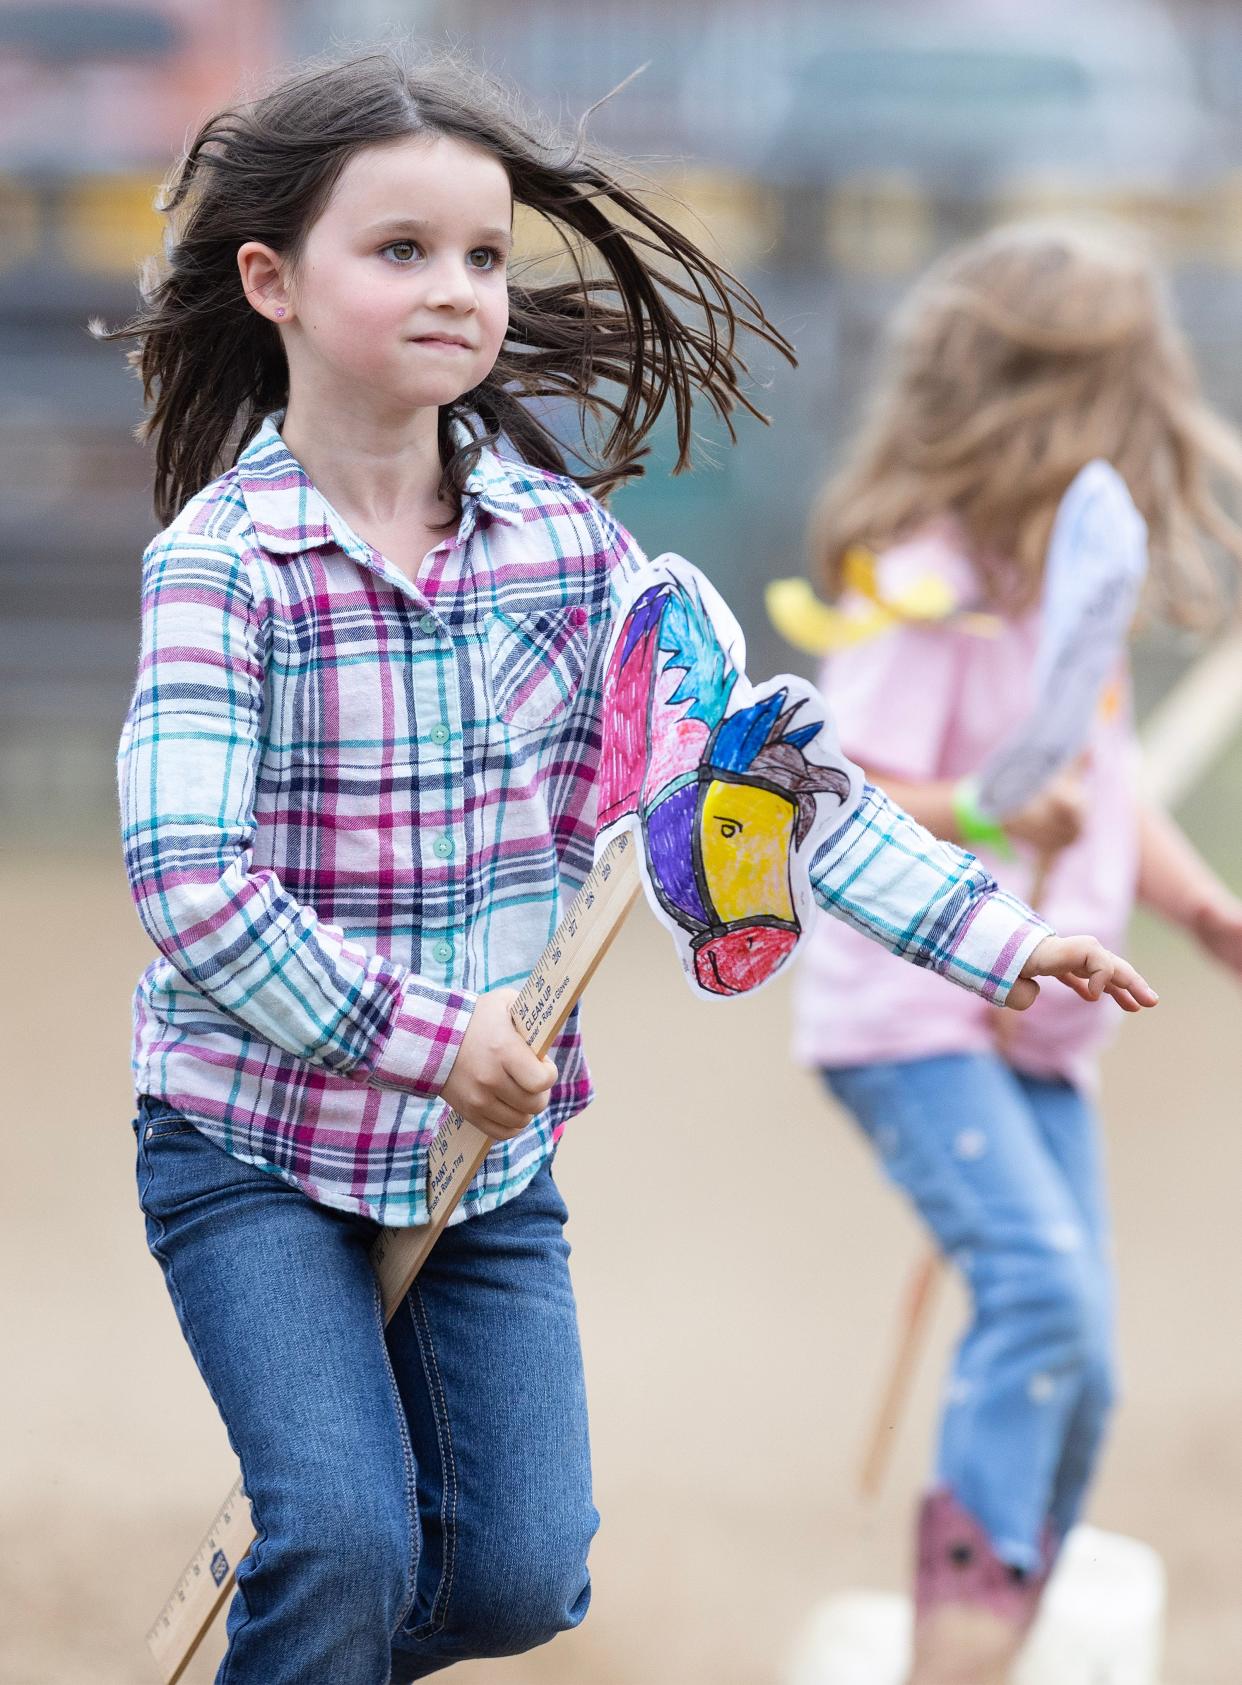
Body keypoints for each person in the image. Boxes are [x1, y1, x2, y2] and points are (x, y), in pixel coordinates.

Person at [109, 56, 1154, 1682]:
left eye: (479, 256)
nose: (456, 289)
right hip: (256, 1143)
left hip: (485, 1168)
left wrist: (996, 937)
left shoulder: (564, 551)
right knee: (342, 1534)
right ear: (273, 283)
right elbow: (188, 885)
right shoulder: (221, 570)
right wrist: (428, 1036)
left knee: (521, 1573)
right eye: (400, 251)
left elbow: (763, 782)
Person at [790, 220, 1242, 1684]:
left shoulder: (1065, 591)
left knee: (1082, 1368)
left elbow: (1101, 780)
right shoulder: (926, 587)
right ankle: (958, 1660)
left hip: (1046, 1029)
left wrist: (1193, 899)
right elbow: (833, 789)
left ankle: (993, 1639)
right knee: (1039, 1300)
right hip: (916, 1018)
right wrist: (988, 804)